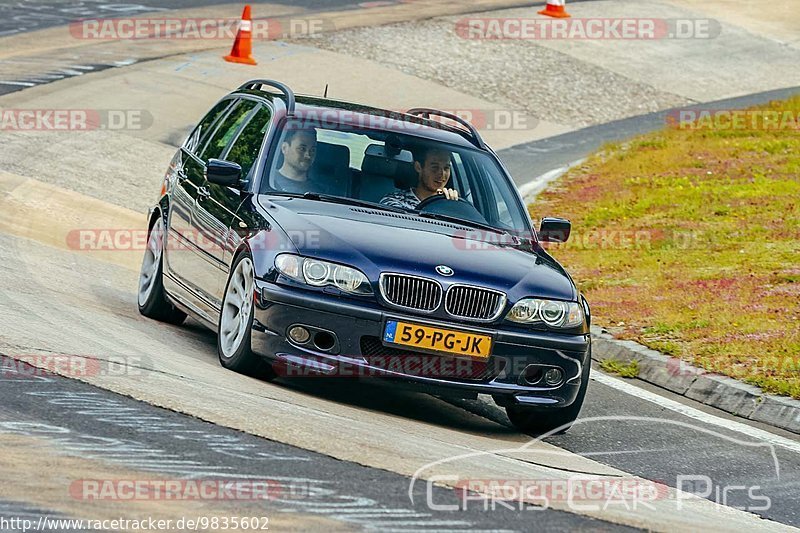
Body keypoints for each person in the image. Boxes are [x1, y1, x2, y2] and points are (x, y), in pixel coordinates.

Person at [380, 145, 459, 210]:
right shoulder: (393, 201)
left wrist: (453, 205)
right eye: (435, 167)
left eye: (446, 168)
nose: (442, 174)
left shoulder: (451, 203)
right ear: (418, 167)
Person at [272, 128, 333, 194]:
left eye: (312, 150)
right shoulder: (266, 180)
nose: (308, 155)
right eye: (302, 149)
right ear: (285, 148)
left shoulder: (320, 193)